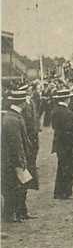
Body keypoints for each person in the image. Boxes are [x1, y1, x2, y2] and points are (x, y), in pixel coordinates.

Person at [2, 90, 34, 222]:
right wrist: (21, 161)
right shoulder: (12, 119)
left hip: (15, 159)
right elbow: (16, 143)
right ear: (22, 103)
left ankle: (19, 212)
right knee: (13, 187)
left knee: (18, 186)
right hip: (14, 160)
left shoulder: (13, 116)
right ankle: (10, 215)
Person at [51, 88, 73, 200]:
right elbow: (70, 132)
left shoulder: (55, 110)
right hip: (67, 145)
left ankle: (58, 192)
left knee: (61, 167)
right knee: (69, 168)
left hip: (59, 143)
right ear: (67, 99)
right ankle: (66, 192)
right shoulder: (67, 113)